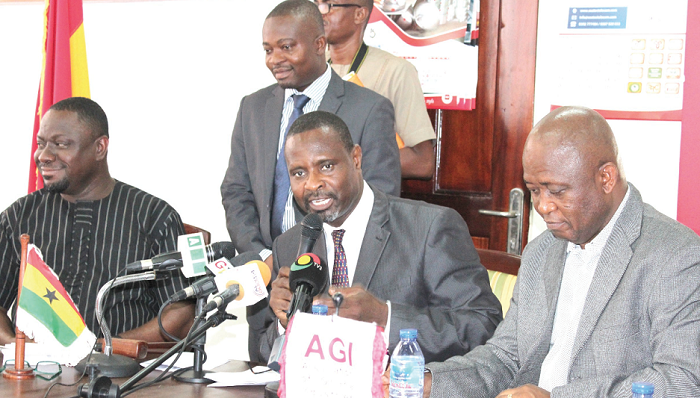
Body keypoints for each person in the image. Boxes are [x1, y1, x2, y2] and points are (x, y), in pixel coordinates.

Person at [407, 106, 700, 398]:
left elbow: (682, 379)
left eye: (557, 191)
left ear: (606, 178)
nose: (543, 206)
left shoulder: (675, 256)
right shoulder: (541, 251)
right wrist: (433, 381)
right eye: (534, 190)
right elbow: (506, 357)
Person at [247, 110, 502, 364]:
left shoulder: (429, 227)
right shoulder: (291, 244)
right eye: (299, 173)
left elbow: (482, 325)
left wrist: (384, 317)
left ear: (356, 158)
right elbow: (265, 355)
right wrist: (284, 323)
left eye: (326, 166)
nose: (312, 184)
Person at [221, 0, 400, 272]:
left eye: (286, 47)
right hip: (267, 276)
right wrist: (262, 256)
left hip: (337, 272)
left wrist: (317, 258)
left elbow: (380, 201)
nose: (274, 59)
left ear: (319, 44)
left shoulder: (370, 109)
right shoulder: (253, 108)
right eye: (268, 50)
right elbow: (236, 190)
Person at [0, 97, 194, 345]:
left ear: (100, 148)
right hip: (34, 372)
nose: (44, 155)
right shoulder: (19, 216)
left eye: (60, 144)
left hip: (122, 375)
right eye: (41, 144)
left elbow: (180, 312)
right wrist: (17, 347)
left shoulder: (154, 217)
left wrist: (105, 349)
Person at [318, 0, 437, 180]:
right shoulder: (310, 70)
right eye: (316, 3)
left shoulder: (396, 71)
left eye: (329, 5)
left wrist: (342, 161)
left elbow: (423, 163)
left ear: (359, 14)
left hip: (367, 200)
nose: (320, 12)